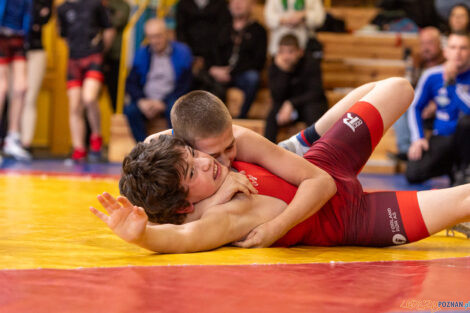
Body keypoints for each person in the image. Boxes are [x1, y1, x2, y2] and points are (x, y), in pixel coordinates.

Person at [92, 77, 469, 254]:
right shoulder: (224, 218)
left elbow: (154, 145)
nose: (209, 164)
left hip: (320, 162)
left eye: (196, 156)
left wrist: (276, 224)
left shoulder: (222, 146)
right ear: (184, 206)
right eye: (193, 172)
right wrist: (141, 236)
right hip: (355, 218)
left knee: (400, 87)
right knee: (463, 202)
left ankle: (301, 141)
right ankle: (298, 145)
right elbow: (184, 238)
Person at [407, 31, 470, 185]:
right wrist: (418, 138)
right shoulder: (431, 75)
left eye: (463, 48)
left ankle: (464, 170)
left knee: (466, 122)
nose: (458, 53)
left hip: (467, 138)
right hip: (443, 136)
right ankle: (451, 168)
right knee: (413, 173)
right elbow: (415, 107)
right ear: (446, 52)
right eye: (453, 47)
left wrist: (453, 83)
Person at [57, 0, 113, 162]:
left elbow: (108, 29)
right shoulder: (63, 9)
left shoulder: (94, 4)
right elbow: (64, 36)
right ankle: (79, 148)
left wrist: (101, 50)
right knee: (74, 105)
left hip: (93, 57)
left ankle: (96, 136)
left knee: (89, 98)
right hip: (74, 60)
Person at [124, 19, 192, 142]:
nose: (155, 41)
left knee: (175, 109)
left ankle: (173, 147)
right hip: (147, 99)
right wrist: (141, 100)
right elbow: (131, 83)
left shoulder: (182, 52)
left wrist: (163, 102)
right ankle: (144, 148)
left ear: (166, 34)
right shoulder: (141, 54)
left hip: (171, 99)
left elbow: (185, 84)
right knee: (130, 110)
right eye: (151, 37)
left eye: (158, 36)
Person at [204, 0, 267, 118]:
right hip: (218, 73)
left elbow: (259, 61)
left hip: (241, 74)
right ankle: (212, 120)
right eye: (234, 1)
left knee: (253, 78)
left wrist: (231, 72)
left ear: (251, 6)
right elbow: (209, 53)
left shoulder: (258, 30)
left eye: (242, 1)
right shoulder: (221, 28)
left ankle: (241, 118)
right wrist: (213, 69)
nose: (237, 4)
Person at [391, 26, 446, 161]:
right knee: (398, 105)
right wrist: (420, 104)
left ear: (439, 43)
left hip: (443, 106)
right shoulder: (415, 61)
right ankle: (406, 151)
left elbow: (451, 90)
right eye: (423, 43)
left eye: (430, 43)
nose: (426, 48)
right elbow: (407, 87)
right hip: (419, 104)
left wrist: (435, 105)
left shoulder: (448, 62)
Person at [265, 33, 327, 142]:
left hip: (306, 105)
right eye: (282, 52)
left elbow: (315, 92)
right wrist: (284, 71)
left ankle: (318, 150)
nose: (286, 56)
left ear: (300, 51)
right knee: (272, 116)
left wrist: (291, 103)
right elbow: (276, 95)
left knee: (312, 110)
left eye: (290, 51)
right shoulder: (276, 66)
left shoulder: (311, 63)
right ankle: (267, 152)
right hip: (285, 106)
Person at [176, 0, 232, 97]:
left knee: (216, 89)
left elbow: (224, 35)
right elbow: (180, 33)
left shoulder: (221, 4)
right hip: (190, 58)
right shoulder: (183, 4)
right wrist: (191, 57)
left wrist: (210, 63)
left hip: (215, 58)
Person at [0, 0, 32, 161]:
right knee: (2, 88)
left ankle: (12, 138)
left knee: (21, 87)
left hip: (19, 35)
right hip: (1, 35)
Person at [21, 0, 53, 153]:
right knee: (12, 94)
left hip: (35, 49)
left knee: (29, 97)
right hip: (14, 48)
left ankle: (25, 143)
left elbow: (44, 18)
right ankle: (8, 139)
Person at [103, 0, 130, 112]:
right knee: (89, 97)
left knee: (115, 94)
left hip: (115, 56)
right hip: (95, 56)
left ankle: (117, 117)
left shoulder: (123, 5)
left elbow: (115, 22)